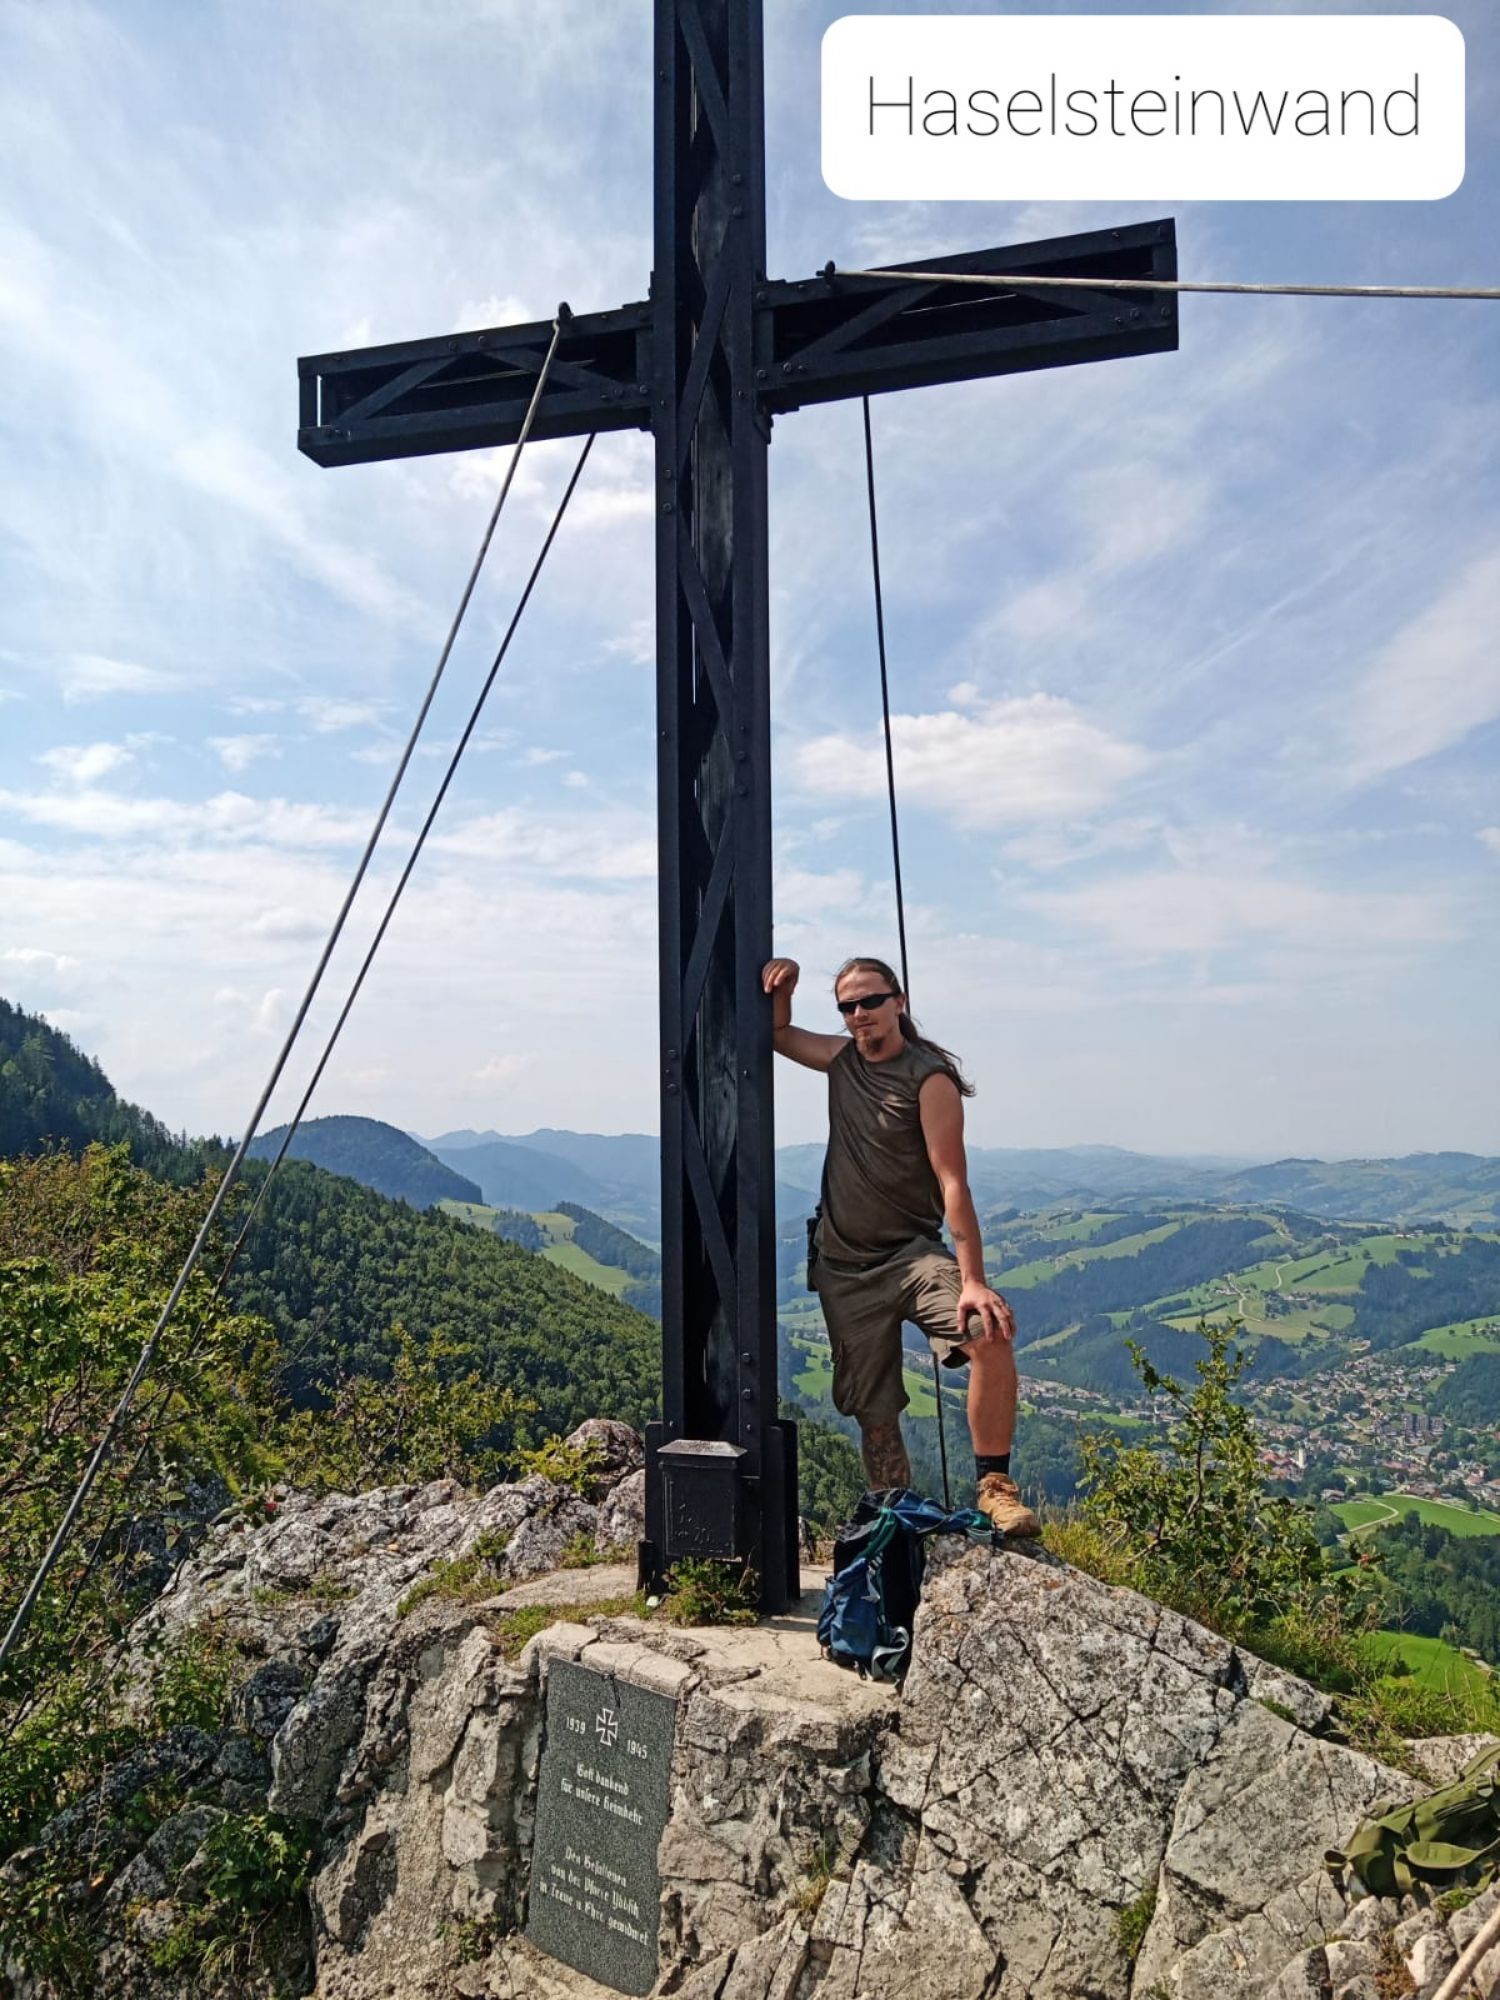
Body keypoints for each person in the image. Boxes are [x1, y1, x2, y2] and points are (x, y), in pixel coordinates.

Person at [762, 953, 1040, 1538]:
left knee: (987, 1332)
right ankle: (895, 1521)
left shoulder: (928, 1078)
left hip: (912, 1257)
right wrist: (785, 986)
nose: (859, 1014)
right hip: (843, 1268)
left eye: (871, 1001)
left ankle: (995, 1489)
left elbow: (952, 1182)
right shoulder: (842, 1061)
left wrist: (972, 1280)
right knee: (875, 1412)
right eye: (848, 1006)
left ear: (899, 1002)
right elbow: (778, 1034)